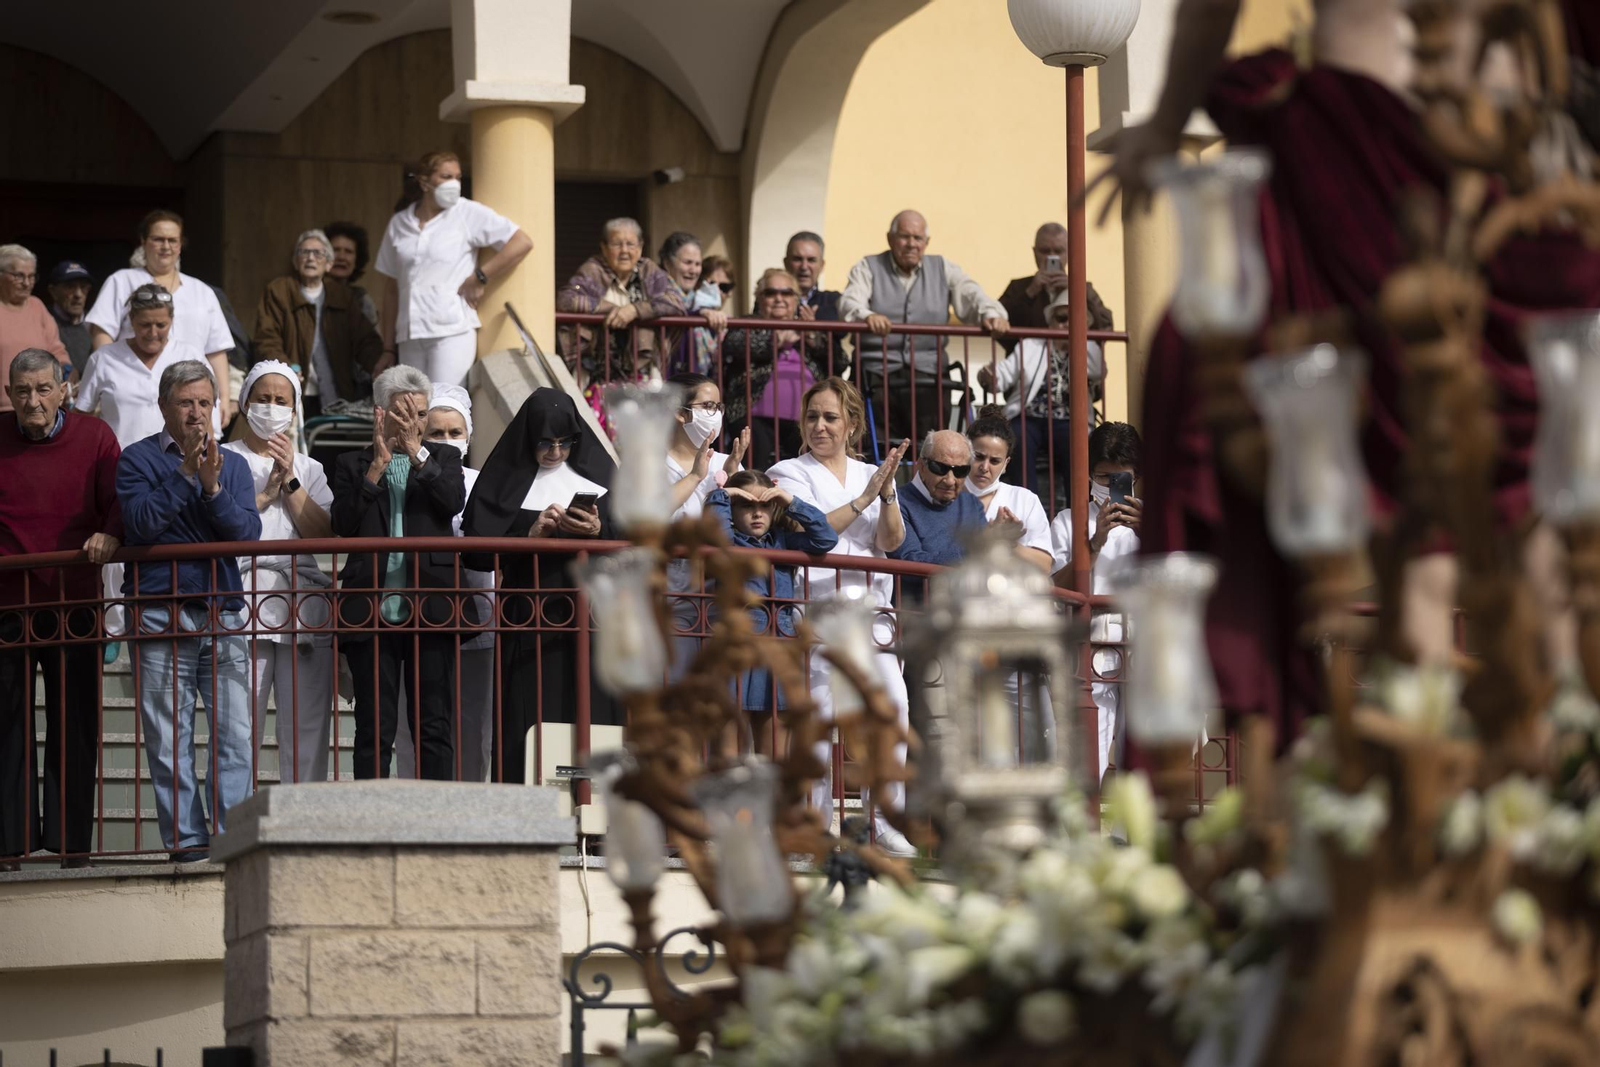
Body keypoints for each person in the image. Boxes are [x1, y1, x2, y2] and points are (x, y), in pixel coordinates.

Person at [117, 360, 260, 860]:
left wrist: (212, 487)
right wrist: (184, 476)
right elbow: (140, 525)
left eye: (205, 402)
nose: (197, 413)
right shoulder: (136, 460)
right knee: (167, 740)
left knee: (235, 737)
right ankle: (187, 845)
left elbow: (245, 536)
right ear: (163, 408)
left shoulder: (234, 466)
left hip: (222, 614)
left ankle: (229, 841)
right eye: (186, 403)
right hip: (159, 613)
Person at [767, 377, 913, 855]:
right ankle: (813, 822)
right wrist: (866, 498)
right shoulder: (787, 472)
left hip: (873, 619)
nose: (820, 426)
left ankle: (883, 822)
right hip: (819, 616)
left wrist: (888, 492)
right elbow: (813, 533)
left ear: (852, 424)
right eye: (812, 417)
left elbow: (891, 543)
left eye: (831, 417)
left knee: (892, 710)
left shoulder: (872, 472)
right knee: (820, 722)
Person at [0, 350, 121, 869]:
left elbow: (119, 500)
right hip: (8, 604)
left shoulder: (95, 437)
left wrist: (111, 531)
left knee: (75, 728)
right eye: (23, 391)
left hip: (75, 602)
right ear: (9, 395)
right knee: (6, 727)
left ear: (64, 389)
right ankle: (10, 844)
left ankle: (71, 845)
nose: (34, 400)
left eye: (43, 389)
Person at [462, 387, 618, 786]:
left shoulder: (601, 477)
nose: (555, 452)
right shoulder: (504, 480)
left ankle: (593, 812)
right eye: (545, 443)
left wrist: (599, 531)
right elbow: (475, 551)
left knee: (593, 709)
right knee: (527, 710)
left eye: (564, 443)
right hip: (527, 618)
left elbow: (635, 536)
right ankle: (527, 812)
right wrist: (529, 534)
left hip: (593, 617)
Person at [330, 365, 466, 781]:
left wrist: (417, 455)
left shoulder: (443, 456)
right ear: (381, 413)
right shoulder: (352, 464)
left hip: (432, 607)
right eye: (405, 413)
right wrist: (377, 467)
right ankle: (371, 827)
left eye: (422, 414)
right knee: (374, 728)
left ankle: (437, 826)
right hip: (371, 608)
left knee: (434, 725)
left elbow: (451, 502)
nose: (415, 423)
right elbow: (343, 523)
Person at [76, 284, 223, 661]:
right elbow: (82, 414)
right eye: (144, 325)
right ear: (130, 321)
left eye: (161, 325)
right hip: (119, 464)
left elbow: (208, 412)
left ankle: (160, 616)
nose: (153, 333)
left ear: (172, 321)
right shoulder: (104, 357)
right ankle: (110, 625)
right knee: (114, 540)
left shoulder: (189, 354)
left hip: (178, 461)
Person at [222, 361, 336, 784]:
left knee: (305, 727)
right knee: (239, 727)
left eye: (281, 401)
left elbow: (323, 535)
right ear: (245, 402)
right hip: (240, 602)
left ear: (293, 410)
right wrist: (264, 494)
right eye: (263, 399)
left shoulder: (311, 468)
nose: (271, 408)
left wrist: (289, 482)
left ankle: (303, 825)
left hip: (300, 605)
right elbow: (221, 524)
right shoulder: (223, 459)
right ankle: (235, 825)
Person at [392, 384, 496, 782]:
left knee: (474, 726)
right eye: (436, 432)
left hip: (476, 619)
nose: (447, 441)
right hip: (418, 616)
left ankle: (467, 821)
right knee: (410, 724)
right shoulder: (404, 474)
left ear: (469, 437)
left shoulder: (483, 482)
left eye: (456, 433)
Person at [839, 210, 1009, 450]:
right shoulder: (868, 267)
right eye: (904, 237)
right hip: (876, 371)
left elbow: (972, 295)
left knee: (931, 445)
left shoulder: (943, 267)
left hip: (929, 373)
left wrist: (992, 314)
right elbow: (849, 303)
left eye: (918, 238)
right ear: (890, 239)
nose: (911, 244)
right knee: (872, 443)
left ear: (926, 243)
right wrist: (868, 316)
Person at [705, 470, 839, 759]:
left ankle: (770, 806)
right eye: (746, 505)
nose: (756, 514)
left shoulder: (783, 541)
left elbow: (825, 538)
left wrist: (789, 501)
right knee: (729, 756)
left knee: (775, 756)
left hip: (780, 647)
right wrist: (725, 495)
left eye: (764, 506)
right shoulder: (728, 540)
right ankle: (732, 806)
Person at [375, 150, 533, 389]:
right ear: (424, 181)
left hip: (451, 330)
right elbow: (391, 289)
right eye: (446, 176)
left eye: (458, 178)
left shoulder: (467, 212)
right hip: (409, 335)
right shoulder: (399, 223)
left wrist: (481, 276)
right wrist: (388, 347)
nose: (454, 184)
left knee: (445, 404)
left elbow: (521, 242)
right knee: (413, 412)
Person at [1049, 422, 1142, 782]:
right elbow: (1056, 586)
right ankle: (1083, 830)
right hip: (1093, 637)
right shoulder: (1068, 522)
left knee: (1143, 738)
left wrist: (1147, 532)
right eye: (1104, 478)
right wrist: (1094, 543)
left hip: (1143, 635)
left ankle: (1128, 835)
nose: (1111, 487)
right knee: (1090, 739)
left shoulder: (1156, 518)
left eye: (1122, 478)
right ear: (1089, 475)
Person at [85, 211, 236, 425]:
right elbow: (102, 333)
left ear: (181, 244)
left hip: (192, 401)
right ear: (144, 242)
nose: (166, 246)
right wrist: (107, 380)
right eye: (158, 239)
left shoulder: (202, 291)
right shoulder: (121, 281)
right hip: (133, 397)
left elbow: (216, 350)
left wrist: (224, 399)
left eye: (172, 240)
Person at [976, 289, 1105, 505]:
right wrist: (990, 376)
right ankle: (1027, 506)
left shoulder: (1088, 346)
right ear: (1051, 322)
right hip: (1030, 416)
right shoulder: (1031, 345)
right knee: (1017, 436)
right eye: (1061, 318)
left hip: (1069, 419)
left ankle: (1080, 511)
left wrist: (1078, 340)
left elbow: (1099, 370)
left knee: (1077, 447)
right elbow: (1004, 375)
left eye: (1073, 319)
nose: (1066, 324)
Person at [556, 218, 685, 429]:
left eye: (631, 244)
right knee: (593, 430)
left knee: (646, 433)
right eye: (617, 244)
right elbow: (566, 299)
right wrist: (611, 310)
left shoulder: (649, 271)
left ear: (641, 247)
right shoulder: (593, 270)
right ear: (604, 248)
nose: (624, 250)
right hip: (597, 372)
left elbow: (676, 303)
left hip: (642, 370)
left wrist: (635, 310)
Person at [665, 373, 749, 674]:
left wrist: (735, 478)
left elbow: (753, 527)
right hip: (673, 602)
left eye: (719, 407)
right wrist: (695, 478)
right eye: (707, 406)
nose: (716, 416)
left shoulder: (727, 462)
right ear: (679, 412)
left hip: (723, 602)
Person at [252, 228, 384, 416]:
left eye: (318, 253)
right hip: (295, 389)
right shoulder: (279, 291)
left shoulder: (342, 296)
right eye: (304, 252)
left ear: (329, 264)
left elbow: (365, 341)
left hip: (336, 393)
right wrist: (286, 368)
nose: (310, 258)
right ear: (295, 262)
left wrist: (383, 368)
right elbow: (267, 338)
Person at [723, 268, 830, 469]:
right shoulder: (747, 323)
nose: (778, 298)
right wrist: (778, 339)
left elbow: (839, 360)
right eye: (771, 293)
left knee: (815, 454)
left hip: (805, 417)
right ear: (759, 299)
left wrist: (813, 336)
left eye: (786, 293)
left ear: (797, 299)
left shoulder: (808, 328)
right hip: (753, 415)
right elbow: (733, 344)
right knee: (754, 459)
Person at [891, 429, 989, 600]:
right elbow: (910, 564)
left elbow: (987, 556)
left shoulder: (971, 504)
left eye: (960, 471)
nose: (950, 480)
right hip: (919, 617)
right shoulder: (896, 503)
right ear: (921, 466)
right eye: (940, 468)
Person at [996, 222, 1114, 355]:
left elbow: (1105, 326)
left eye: (1058, 251)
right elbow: (999, 327)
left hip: (1072, 371)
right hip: (1028, 372)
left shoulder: (1083, 288)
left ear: (1069, 253)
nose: (1051, 256)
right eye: (1045, 251)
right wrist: (1029, 293)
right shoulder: (1018, 288)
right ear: (1035, 253)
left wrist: (1077, 293)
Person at [964, 410, 1054, 573]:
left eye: (995, 461)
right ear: (966, 453)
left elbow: (1045, 565)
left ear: (1006, 463)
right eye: (978, 456)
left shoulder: (1024, 499)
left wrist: (1008, 544)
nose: (985, 467)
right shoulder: (948, 493)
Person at [0, 245, 71, 410]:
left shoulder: (36, 306)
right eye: (19, 276)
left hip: (37, 408)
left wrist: (65, 372)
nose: (27, 283)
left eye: (31, 276)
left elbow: (58, 351)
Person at [657, 232, 729, 378]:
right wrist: (699, 314)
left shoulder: (699, 301)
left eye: (697, 264)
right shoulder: (656, 292)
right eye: (687, 262)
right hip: (666, 382)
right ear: (667, 263)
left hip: (694, 383)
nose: (693, 270)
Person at [325, 220, 380, 327]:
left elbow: (373, 342)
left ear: (357, 261)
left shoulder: (362, 301)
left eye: (348, 252)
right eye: (335, 250)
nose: (341, 257)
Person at [46, 260, 95, 377]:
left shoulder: (96, 323)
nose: (78, 294)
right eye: (70, 287)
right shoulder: (42, 321)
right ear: (53, 291)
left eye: (83, 287)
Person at [785, 231, 841, 322]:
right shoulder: (771, 297)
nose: (804, 267)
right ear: (786, 263)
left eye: (811, 260)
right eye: (797, 259)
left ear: (822, 265)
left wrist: (813, 331)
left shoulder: (834, 302)